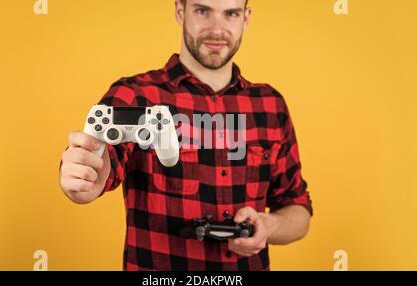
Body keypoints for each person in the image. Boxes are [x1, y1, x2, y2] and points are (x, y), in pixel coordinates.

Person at [59, 0, 313, 271]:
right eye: (202, 11)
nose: (217, 29)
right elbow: (100, 166)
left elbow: (298, 211)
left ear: (246, 18)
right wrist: (84, 176)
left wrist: (267, 225)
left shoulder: (270, 105)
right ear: (180, 11)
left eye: (230, 13)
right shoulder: (136, 95)